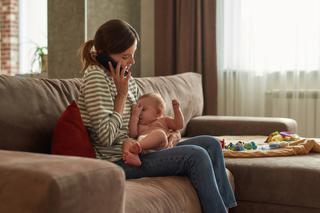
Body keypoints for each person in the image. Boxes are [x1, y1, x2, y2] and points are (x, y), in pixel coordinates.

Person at [78, 19, 237, 213]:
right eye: (126, 56)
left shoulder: (127, 79)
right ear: (105, 57)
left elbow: (146, 122)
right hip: (119, 160)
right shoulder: (95, 77)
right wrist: (121, 95)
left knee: (210, 144)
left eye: (133, 55)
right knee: (197, 155)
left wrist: (169, 133)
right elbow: (106, 136)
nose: (132, 62)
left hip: (143, 147)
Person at [122, 93, 184, 167]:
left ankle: (137, 148)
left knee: (160, 134)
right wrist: (134, 116)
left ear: (158, 112)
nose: (139, 113)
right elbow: (132, 134)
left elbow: (179, 125)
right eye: (138, 110)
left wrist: (177, 110)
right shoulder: (140, 125)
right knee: (127, 141)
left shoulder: (164, 120)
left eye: (143, 110)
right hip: (142, 147)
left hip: (159, 146)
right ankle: (131, 156)